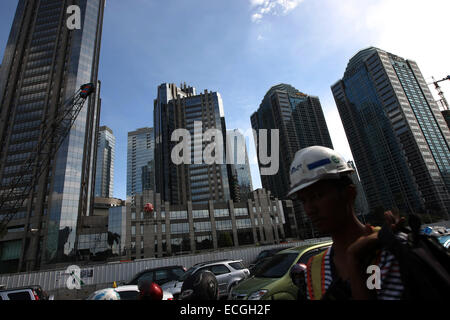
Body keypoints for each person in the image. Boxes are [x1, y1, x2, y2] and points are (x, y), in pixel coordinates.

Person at [287, 146, 406, 300]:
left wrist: (356, 261)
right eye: (303, 200)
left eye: (317, 195)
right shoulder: (314, 269)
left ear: (349, 193)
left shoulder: (390, 249)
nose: (309, 209)